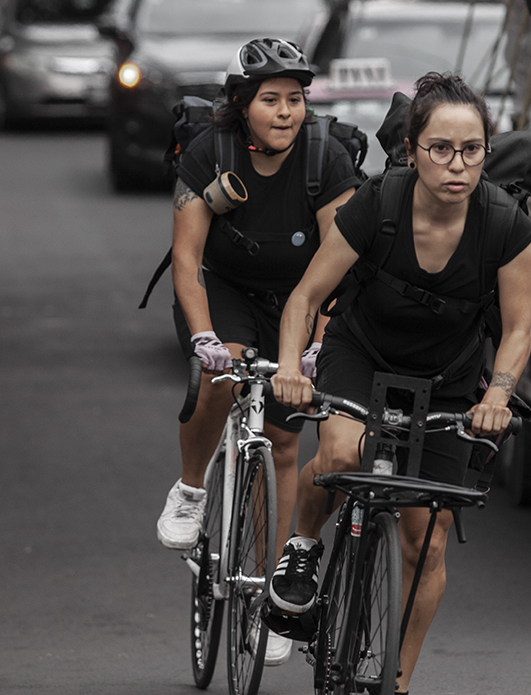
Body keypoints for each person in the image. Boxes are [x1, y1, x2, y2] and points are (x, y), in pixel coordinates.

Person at [270, 72, 531, 693]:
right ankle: (305, 545)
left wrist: (496, 396)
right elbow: (307, 296)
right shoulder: (379, 204)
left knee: (428, 539)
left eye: (472, 150)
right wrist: (289, 368)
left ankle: (397, 681)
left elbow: (519, 330)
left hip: (447, 379)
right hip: (362, 352)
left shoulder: (505, 226)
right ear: (413, 151)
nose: (457, 165)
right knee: (341, 451)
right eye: (440, 149)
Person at [154, 37, 360, 666]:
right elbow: (186, 262)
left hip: (300, 295)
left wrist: (319, 346)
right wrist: (203, 338)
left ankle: (271, 590)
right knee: (221, 380)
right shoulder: (207, 151)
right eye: (270, 99)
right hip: (229, 288)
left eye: (295, 99)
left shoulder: (327, 158)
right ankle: (191, 489)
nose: (285, 112)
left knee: (283, 438)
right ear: (242, 104)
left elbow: (337, 269)